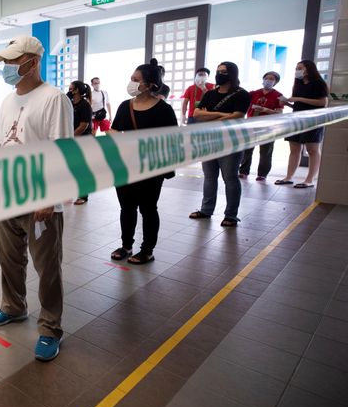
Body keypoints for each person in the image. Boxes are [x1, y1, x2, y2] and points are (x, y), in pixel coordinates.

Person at [0, 35, 73, 362]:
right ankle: (13, 306)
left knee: (47, 266)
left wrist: (49, 198)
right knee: (9, 259)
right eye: (5, 62)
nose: (7, 68)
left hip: (39, 199)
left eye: (12, 61)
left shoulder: (54, 99)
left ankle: (50, 328)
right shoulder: (9, 100)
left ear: (32, 62)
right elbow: (1, 147)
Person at [109, 62, 178, 265]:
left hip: (150, 168)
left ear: (149, 85)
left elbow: (172, 141)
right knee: (126, 208)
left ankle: (147, 250)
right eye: (131, 78)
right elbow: (115, 130)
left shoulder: (163, 110)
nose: (131, 83)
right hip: (125, 165)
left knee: (148, 208)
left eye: (136, 80)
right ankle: (126, 245)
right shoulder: (125, 106)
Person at [189, 62, 251, 227]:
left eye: (223, 71)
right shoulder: (209, 94)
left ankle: (231, 215)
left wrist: (209, 117)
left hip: (231, 141)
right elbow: (197, 114)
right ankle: (206, 210)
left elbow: (237, 115)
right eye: (218, 71)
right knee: (209, 177)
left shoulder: (242, 94)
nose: (219, 74)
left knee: (230, 178)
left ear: (232, 74)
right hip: (209, 140)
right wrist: (222, 115)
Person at [276, 60, 329, 189]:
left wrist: (298, 99)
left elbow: (323, 103)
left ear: (309, 69)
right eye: (296, 68)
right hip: (296, 119)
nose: (297, 70)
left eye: (300, 68)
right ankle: (289, 177)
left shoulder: (318, 83)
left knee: (312, 149)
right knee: (294, 149)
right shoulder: (297, 84)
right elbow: (298, 104)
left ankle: (309, 179)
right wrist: (287, 103)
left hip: (313, 120)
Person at [238, 71, 284, 181]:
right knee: (247, 149)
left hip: (268, 127)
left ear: (275, 82)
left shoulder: (278, 96)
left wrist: (265, 110)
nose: (268, 81)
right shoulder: (253, 93)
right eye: (266, 78)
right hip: (251, 125)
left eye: (271, 79)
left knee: (266, 151)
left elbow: (279, 113)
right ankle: (243, 171)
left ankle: (262, 174)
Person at [70, 80, 93, 205]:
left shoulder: (85, 105)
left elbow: (84, 125)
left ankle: (83, 195)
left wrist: (72, 136)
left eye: (71, 86)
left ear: (77, 90)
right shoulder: (71, 102)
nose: (69, 88)